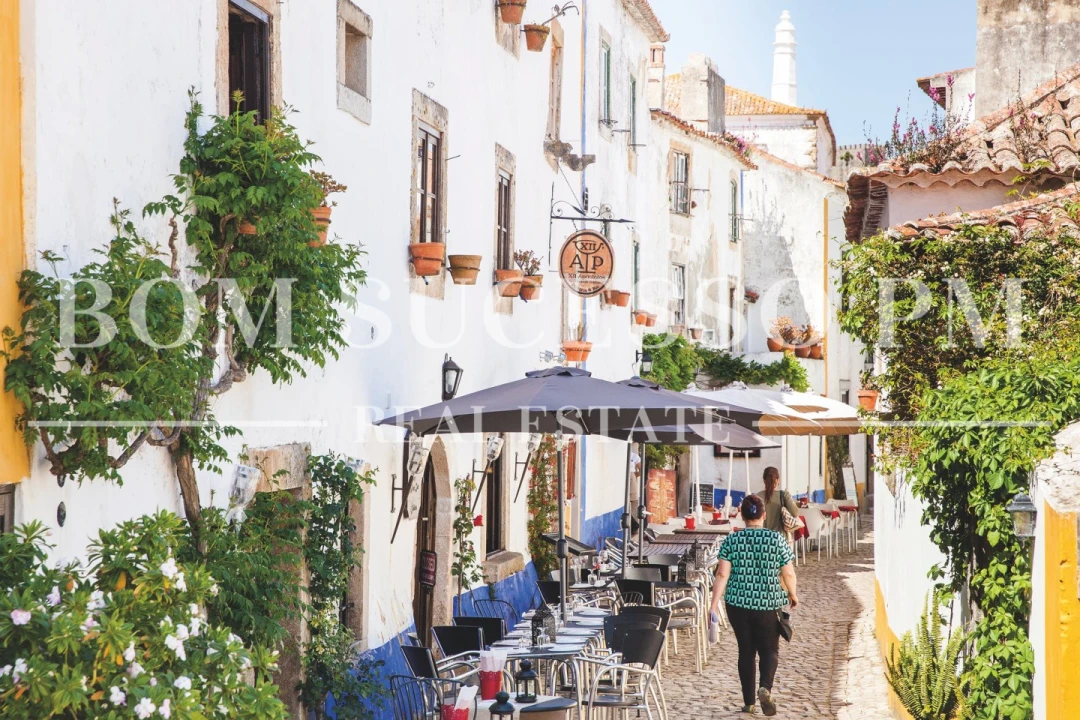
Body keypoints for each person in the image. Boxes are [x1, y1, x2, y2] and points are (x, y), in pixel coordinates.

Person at [710, 494, 798, 716]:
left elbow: (722, 574)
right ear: (764, 515)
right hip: (768, 605)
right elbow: (788, 571)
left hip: (737, 605)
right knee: (769, 650)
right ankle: (765, 689)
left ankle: (749, 702)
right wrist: (793, 594)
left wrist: (713, 604)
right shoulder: (776, 539)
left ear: (742, 516)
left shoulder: (732, 540)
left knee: (746, 651)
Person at [761, 466, 801, 535]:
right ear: (777, 480)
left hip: (762, 538)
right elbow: (796, 513)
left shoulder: (756, 497)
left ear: (764, 481)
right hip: (781, 538)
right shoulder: (784, 495)